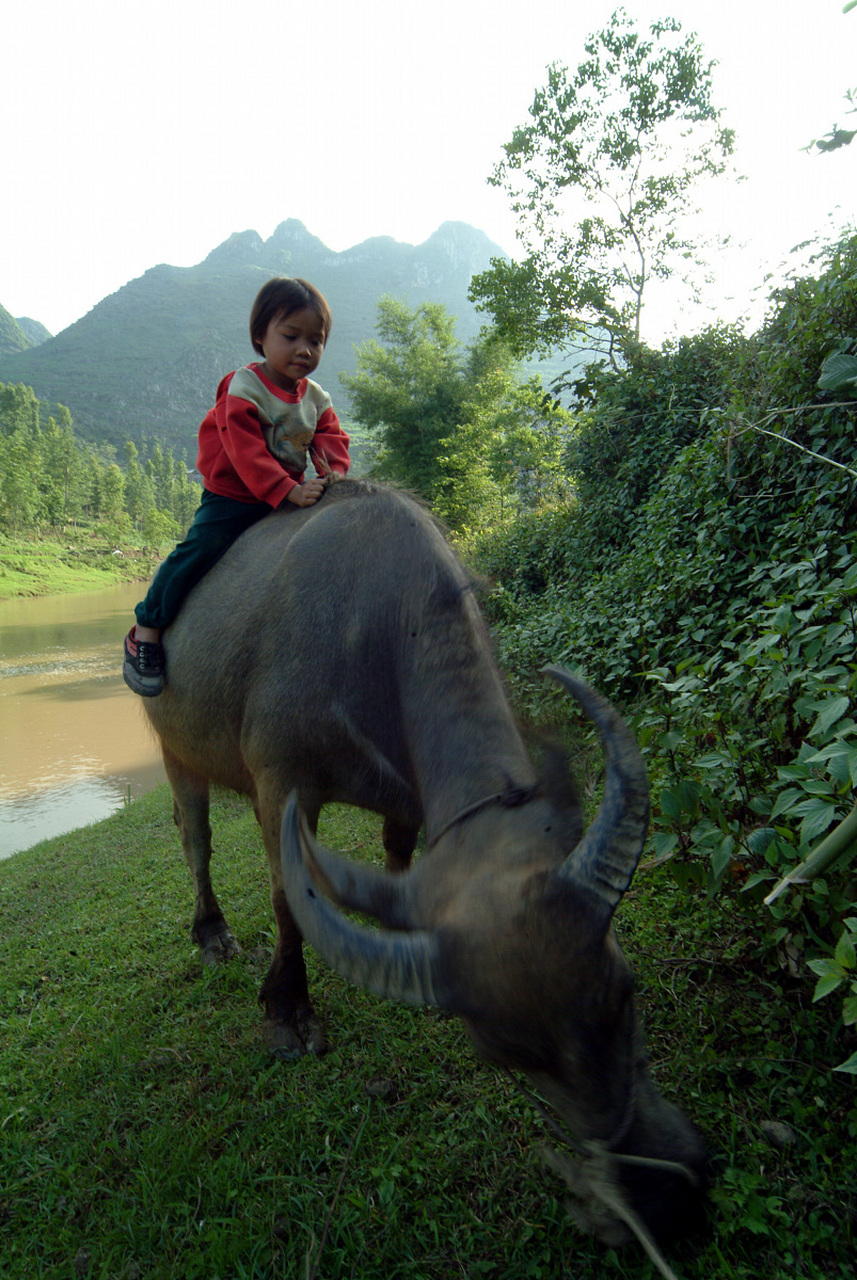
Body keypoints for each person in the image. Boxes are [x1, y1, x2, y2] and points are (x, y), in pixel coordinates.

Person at [123, 276, 350, 697]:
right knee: (200, 548)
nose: (305, 349)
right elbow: (247, 454)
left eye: (315, 341)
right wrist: (288, 491)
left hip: (288, 496)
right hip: (235, 497)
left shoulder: (315, 397)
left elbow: (331, 440)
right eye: (291, 336)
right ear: (260, 336)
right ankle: (147, 628)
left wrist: (331, 475)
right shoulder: (243, 388)